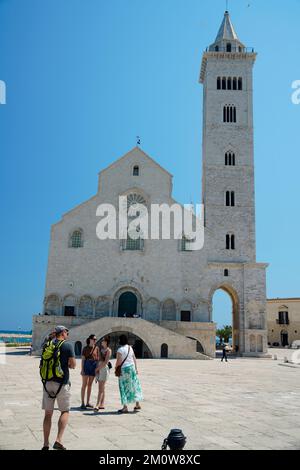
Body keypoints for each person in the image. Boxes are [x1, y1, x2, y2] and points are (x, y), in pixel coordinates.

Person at [42, 325, 76, 451]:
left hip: (47, 382)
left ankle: (45, 444)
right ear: (62, 333)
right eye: (67, 332)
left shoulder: (47, 345)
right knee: (65, 411)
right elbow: (73, 365)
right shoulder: (67, 345)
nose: (67, 334)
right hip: (62, 383)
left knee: (48, 414)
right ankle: (58, 440)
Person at [115, 334, 143, 413]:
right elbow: (134, 358)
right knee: (135, 386)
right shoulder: (130, 348)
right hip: (132, 368)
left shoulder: (120, 350)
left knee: (123, 387)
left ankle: (125, 407)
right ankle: (137, 404)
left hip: (124, 370)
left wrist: (116, 368)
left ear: (120, 340)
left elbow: (119, 361)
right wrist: (136, 369)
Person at [80, 335, 99, 410]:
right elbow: (83, 360)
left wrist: (97, 369)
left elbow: (97, 359)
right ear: (90, 339)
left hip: (93, 365)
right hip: (87, 365)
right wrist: (82, 369)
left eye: (95, 339)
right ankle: (82, 403)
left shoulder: (96, 348)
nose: (95, 340)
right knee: (84, 384)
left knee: (90, 385)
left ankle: (88, 402)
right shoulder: (85, 348)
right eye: (94, 339)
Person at [94, 336, 112, 411]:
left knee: (101, 388)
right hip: (99, 368)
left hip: (104, 369)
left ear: (106, 342)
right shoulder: (100, 349)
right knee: (102, 388)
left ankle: (97, 405)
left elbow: (105, 362)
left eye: (103, 341)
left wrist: (97, 369)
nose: (102, 342)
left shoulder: (108, 350)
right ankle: (102, 404)